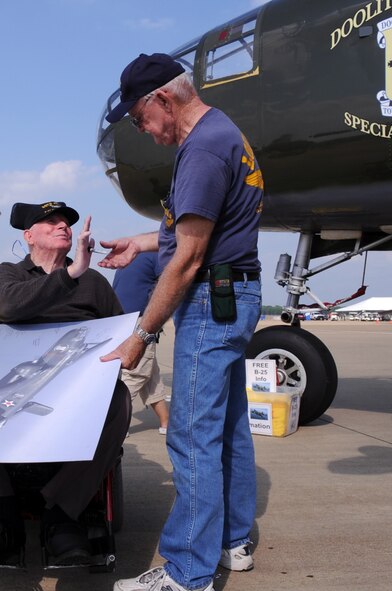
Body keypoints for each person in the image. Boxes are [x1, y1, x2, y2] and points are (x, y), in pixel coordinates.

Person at [100, 53, 263, 591]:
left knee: (191, 436)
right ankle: (232, 541)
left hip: (211, 302)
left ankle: (187, 571)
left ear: (162, 100)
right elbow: (198, 232)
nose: (143, 131)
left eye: (139, 118)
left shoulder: (202, 150)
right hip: (236, 294)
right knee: (229, 427)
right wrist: (140, 241)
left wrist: (140, 335)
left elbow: (188, 260)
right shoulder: (224, 133)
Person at [0, 201, 132, 565]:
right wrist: (70, 272)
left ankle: (60, 514)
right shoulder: (10, 274)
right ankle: (4, 512)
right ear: (28, 236)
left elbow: (120, 334)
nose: (63, 226)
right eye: (51, 221)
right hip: (15, 383)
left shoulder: (94, 283)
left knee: (119, 399)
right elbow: (7, 308)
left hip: (77, 388)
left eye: (67, 223)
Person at [113, 252, 169, 435]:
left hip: (121, 320)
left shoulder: (132, 256)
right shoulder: (160, 255)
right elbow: (168, 286)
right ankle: (114, 425)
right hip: (140, 322)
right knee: (136, 374)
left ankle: (166, 422)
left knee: (151, 375)